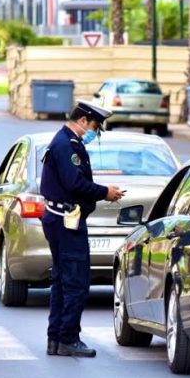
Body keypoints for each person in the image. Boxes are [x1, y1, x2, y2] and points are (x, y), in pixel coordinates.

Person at [40, 100, 125, 358]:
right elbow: (74, 183)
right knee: (75, 282)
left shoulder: (66, 141)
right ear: (83, 120)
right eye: (95, 126)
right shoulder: (67, 145)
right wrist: (104, 192)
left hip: (61, 218)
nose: (95, 132)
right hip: (66, 221)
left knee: (62, 282)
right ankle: (67, 338)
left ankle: (56, 338)